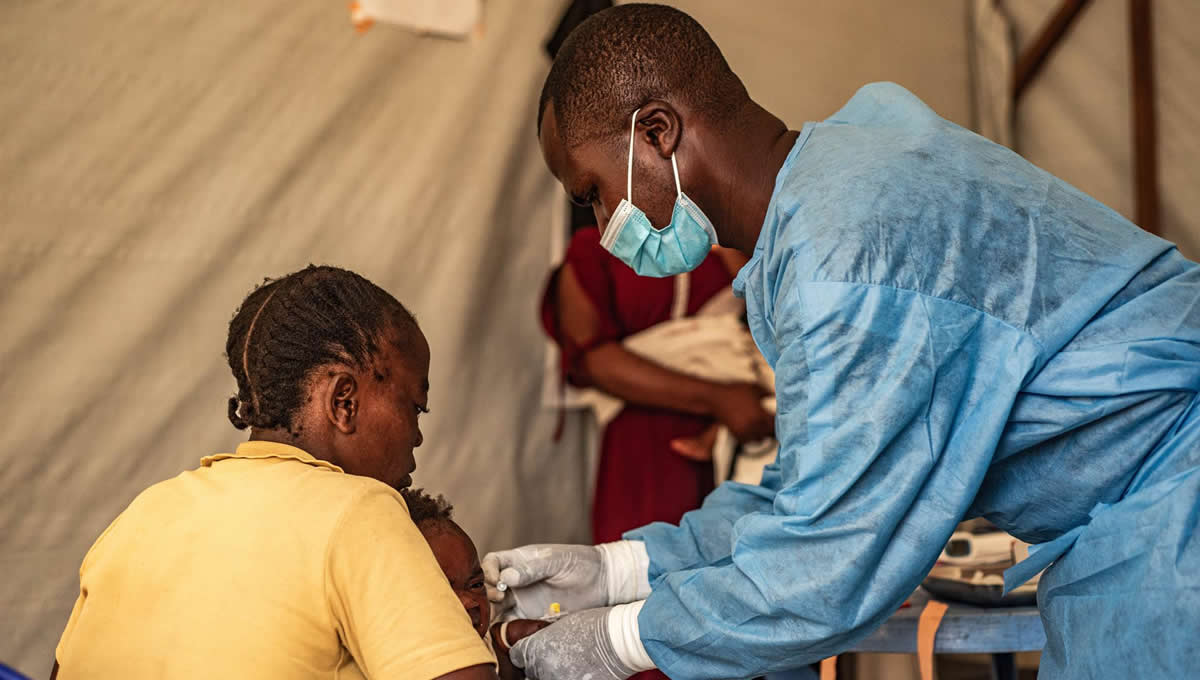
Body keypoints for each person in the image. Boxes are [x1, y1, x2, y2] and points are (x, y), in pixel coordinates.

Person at [484, 5, 1200, 680]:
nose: (605, 223)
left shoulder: (845, 256)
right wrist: (620, 570)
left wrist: (616, 641)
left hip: (1175, 505)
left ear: (658, 133)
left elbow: (820, 569)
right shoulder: (844, 178)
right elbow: (814, 493)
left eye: (595, 191)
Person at [53, 266, 497, 680]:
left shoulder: (147, 509)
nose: (417, 436)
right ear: (344, 401)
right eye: (415, 408)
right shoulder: (360, 509)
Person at [542, 226, 768, 547]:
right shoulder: (595, 248)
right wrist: (718, 398)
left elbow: (769, 316)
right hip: (643, 444)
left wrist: (725, 245)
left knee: (737, 555)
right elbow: (593, 360)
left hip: (736, 430)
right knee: (645, 568)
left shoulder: (721, 236)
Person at [401, 488, 550, 680]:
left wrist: (509, 637)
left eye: (476, 585)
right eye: (444, 591)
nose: (470, 602)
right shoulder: (405, 665)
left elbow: (497, 648)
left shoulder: (481, 643)